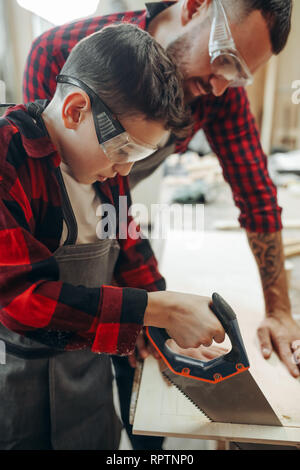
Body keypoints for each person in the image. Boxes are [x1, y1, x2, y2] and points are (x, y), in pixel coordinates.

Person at [22, 0, 300, 449]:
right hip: (55, 266)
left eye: (238, 76)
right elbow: (53, 217)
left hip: (112, 237)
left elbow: (254, 194)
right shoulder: (63, 53)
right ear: (196, 7)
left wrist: (278, 310)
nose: (219, 86)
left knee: (144, 386)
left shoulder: (211, 89)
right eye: (225, 58)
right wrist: (151, 308)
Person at [0, 23, 226, 450]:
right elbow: (19, 300)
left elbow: (131, 251)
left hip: (89, 382)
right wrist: (156, 308)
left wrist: (162, 328)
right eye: (124, 151)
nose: (126, 170)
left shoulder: (105, 174)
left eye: (137, 156)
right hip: (17, 393)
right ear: (75, 111)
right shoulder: (8, 157)